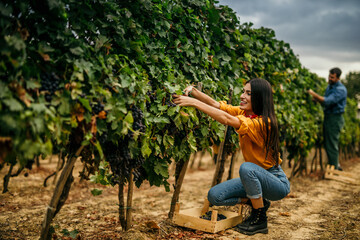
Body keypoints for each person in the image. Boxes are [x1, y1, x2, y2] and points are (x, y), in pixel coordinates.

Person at [173, 78, 290, 236]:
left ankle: (259, 219)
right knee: (215, 196)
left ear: (260, 97)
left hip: (275, 182)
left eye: (248, 93)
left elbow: (227, 119)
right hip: (254, 179)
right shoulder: (245, 113)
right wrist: (194, 93)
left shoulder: (263, 123)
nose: (242, 96)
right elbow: (218, 106)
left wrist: (194, 103)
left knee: (246, 168)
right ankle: (257, 202)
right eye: (243, 91)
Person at [308, 67, 347, 170]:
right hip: (328, 117)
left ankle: (335, 167)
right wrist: (317, 100)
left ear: (338, 78)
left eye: (332, 77)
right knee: (328, 143)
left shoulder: (340, 90)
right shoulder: (330, 87)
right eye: (329, 76)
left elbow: (327, 101)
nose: (329, 78)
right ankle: (334, 165)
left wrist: (313, 94)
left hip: (335, 119)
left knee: (332, 143)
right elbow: (325, 102)